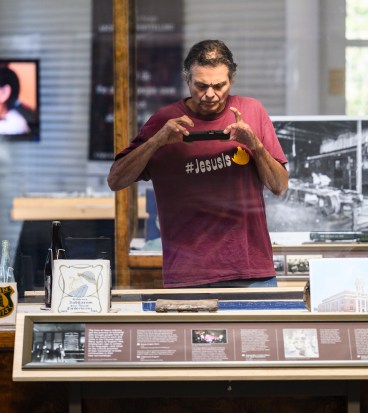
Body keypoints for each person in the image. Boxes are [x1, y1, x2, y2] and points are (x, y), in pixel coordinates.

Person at [108, 39, 288, 288]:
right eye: (201, 86)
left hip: (250, 270)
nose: (210, 94)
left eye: (219, 85)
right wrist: (157, 140)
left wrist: (255, 144)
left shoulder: (252, 111)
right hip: (188, 274)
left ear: (231, 80)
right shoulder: (165, 119)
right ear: (187, 81)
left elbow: (279, 185)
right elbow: (116, 180)